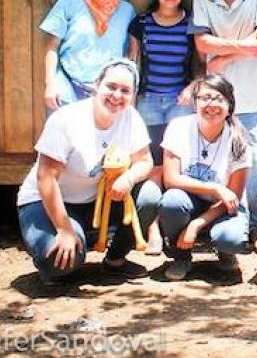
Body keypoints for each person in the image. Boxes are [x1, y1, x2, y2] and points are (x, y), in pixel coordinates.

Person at [17, 59, 160, 285]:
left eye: (125, 90)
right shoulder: (66, 119)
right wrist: (64, 230)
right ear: (96, 84)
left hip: (96, 200)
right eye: (111, 87)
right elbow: (46, 178)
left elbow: (145, 161)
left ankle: (115, 260)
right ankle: (67, 244)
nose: (117, 95)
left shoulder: (131, 117)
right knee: (60, 261)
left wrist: (129, 178)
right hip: (48, 200)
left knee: (150, 195)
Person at [190, 0, 257, 254]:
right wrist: (244, 45)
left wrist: (221, 56)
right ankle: (227, 225)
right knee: (217, 165)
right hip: (216, 102)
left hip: (254, 97)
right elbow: (201, 45)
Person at [128, 0, 200, 255]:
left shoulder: (191, 22)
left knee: (176, 167)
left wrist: (191, 88)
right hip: (148, 102)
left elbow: (200, 65)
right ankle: (152, 227)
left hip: (179, 102)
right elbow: (133, 63)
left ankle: (176, 225)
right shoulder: (142, 23)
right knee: (152, 166)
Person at [158, 75, 250, 281]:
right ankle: (180, 256)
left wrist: (196, 224)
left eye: (219, 99)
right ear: (195, 102)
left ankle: (226, 254)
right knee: (172, 200)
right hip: (189, 200)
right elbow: (170, 179)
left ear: (229, 105)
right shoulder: (178, 126)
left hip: (225, 207)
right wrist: (214, 188)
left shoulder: (239, 139)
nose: (211, 105)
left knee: (230, 239)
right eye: (205, 98)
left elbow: (233, 196)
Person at [41, 0, 135, 110]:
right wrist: (50, 84)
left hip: (108, 96)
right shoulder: (69, 2)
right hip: (67, 90)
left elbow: (130, 55)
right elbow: (51, 46)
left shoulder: (127, 10)